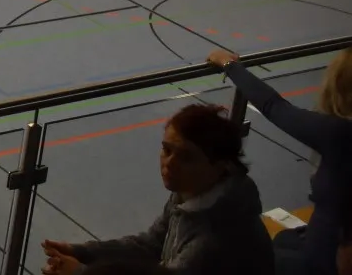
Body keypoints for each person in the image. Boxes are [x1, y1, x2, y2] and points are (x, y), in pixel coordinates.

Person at [40, 103, 273, 275]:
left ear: (219, 165)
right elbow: (150, 245)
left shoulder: (214, 238)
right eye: (167, 150)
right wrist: (82, 251)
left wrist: (82, 273)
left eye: (186, 157)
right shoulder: (192, 192)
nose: (169, 163)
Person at [208, 48, 352, 275]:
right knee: (284, 238)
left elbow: (273, 106)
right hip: (323, 240)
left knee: (246, 259)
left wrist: (229, 65)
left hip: (327, 261)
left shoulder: (339, 133)